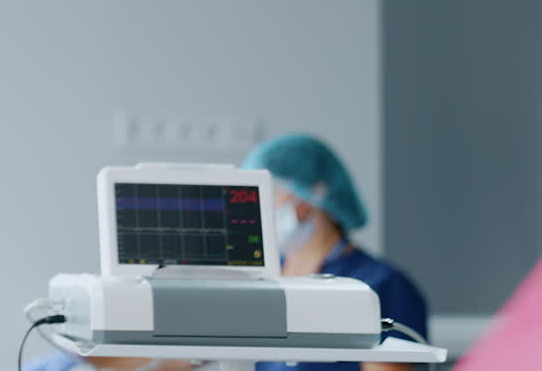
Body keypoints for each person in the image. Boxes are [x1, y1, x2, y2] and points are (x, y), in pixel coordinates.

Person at [26, 135, 428, 371]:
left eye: (266, 198)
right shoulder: (266, 282)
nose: (252, 214)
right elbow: (181, 359)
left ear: (306, 201)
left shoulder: (381, 287)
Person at [243, 134, 428, 371]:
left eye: (271, 195)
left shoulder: (383, 285)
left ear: (313, 194)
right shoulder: (264, 278)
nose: (258, 210)